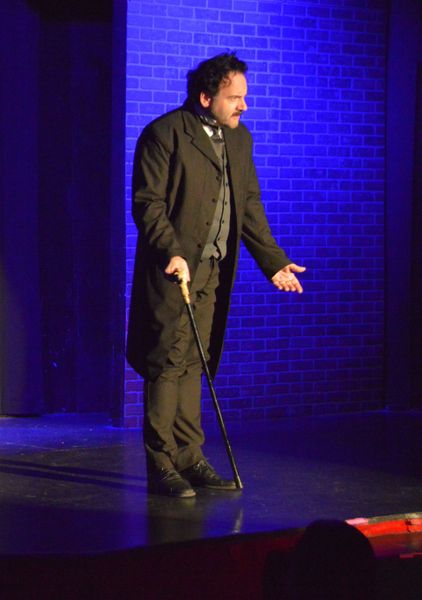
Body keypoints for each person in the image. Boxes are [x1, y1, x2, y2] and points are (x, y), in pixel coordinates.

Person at [127, 52, 305, 498]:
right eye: (234, 97)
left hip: (213, 270)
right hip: (175, 272)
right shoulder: (165, 133)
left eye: (244, 96)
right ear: (206, 97)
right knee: (167, 363)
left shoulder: (239, 139)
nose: (244, 105)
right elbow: (149, 204)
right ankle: (162, 462)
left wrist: (274, 261)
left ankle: (191, 458)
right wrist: (171, 252)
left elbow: (249, 206)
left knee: (196, 361)